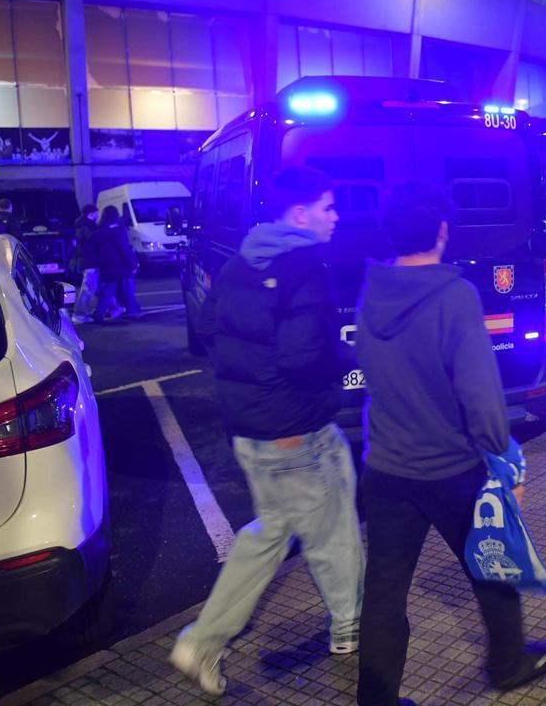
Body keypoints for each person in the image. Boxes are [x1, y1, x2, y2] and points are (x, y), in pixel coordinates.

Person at [355, 180, 546, 706]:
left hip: (387, 467)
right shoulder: (454, 296)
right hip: (450, 468)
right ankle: (509, 664)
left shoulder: (373, 289)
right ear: (442, 230)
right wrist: (506, 465)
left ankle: (376, 700)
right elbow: (481, 395)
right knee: (491, 563)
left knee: (383, 592)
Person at [170, 166, 363, 697]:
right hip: (294, 427)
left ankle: (347, 624)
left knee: (285, 527)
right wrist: (342, 360)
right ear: (300, 213)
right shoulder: (304, 264)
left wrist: (254, 386)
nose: (335, 216)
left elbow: (208, 329)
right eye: (328, 206)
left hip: (252, 426)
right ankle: (207, 639)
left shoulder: (240, 261)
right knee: (323, 530)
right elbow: (305, 354)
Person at [89, 205, 140, 321]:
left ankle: (100, 313)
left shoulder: (99, 231)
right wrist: (132, 263)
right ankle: (133, 311)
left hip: (106, 265)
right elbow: (124, 249)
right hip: (121, 265)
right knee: (127, 290)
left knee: (108, 292)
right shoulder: (119, 231)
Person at [71, 205, 100, 325]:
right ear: (92, 213)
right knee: (87, 288)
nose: (98, 215)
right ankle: (79, 314)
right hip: (90, 261)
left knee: (95, 287)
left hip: (87, 260)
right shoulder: (88, 226)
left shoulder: (81, 225)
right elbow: (93, 241)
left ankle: (111, 308)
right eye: (96, 213)